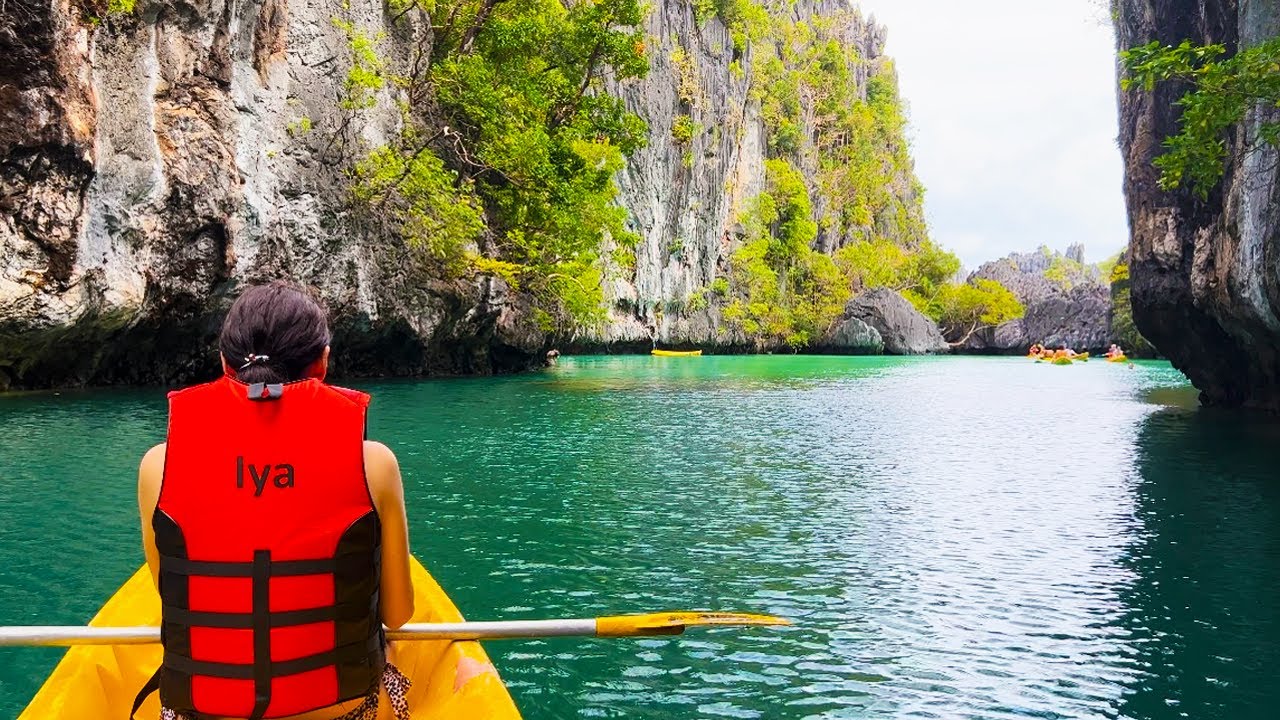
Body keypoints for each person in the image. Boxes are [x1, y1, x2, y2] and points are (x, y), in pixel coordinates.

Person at [135, 281, 415, 720]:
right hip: (339, 710)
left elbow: (168, 591)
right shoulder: (375, 463)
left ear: (225, 363)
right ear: (322, 362)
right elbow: (398, 615)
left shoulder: (158, 464)